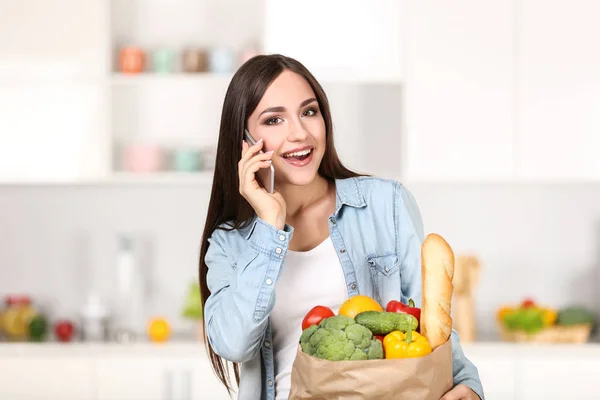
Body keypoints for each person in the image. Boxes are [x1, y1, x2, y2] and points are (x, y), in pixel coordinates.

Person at [198, 54, 484, 400]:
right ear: (244, 141)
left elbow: (432, 321)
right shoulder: (231, 243)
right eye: (274, 120)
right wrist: (269, 225)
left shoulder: (385, 204)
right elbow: (233, 344)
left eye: (309, 112)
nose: (300, 133)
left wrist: (468, 384)